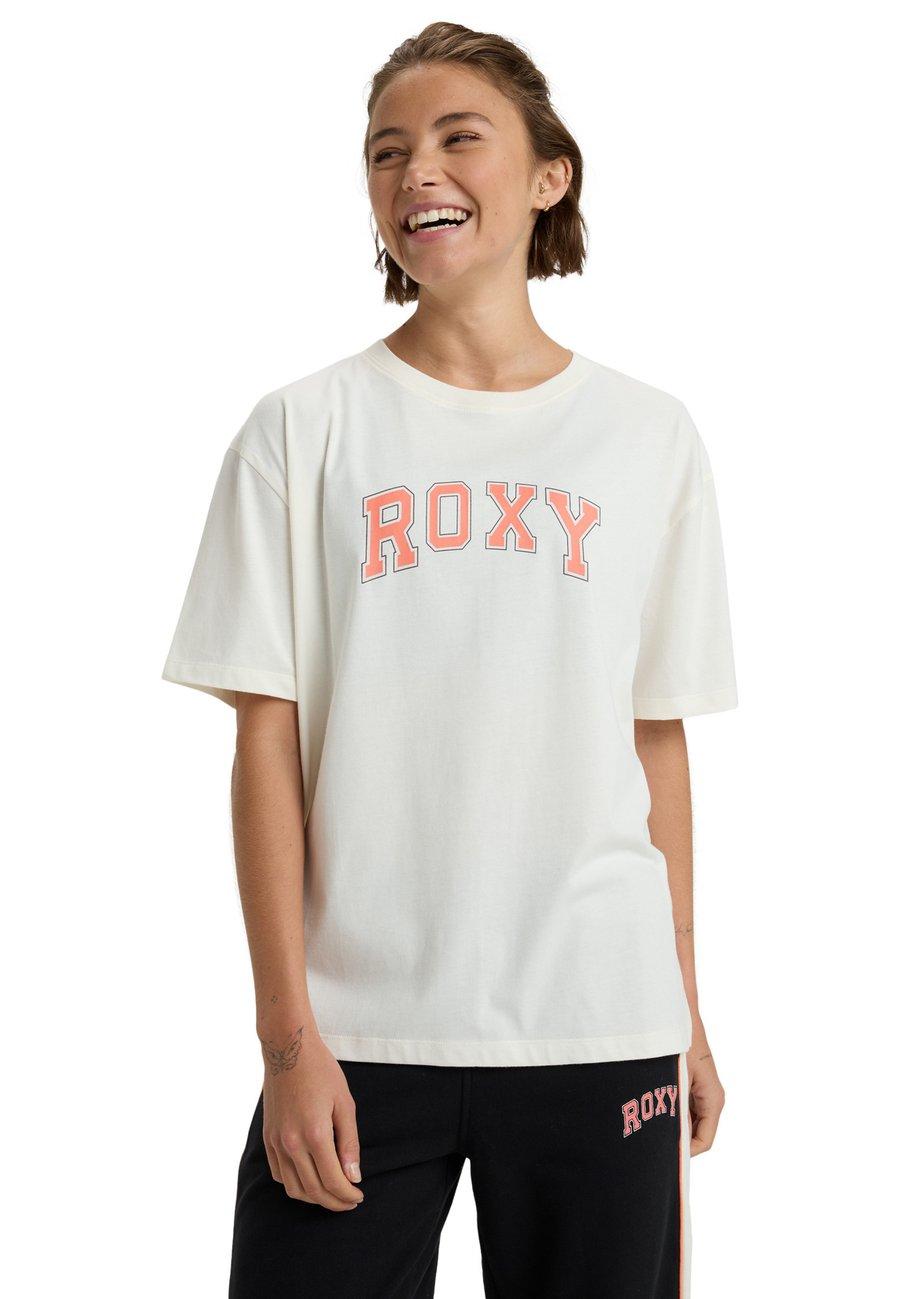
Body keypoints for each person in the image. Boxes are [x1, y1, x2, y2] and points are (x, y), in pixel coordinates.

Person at [161, 21, 737, 1298]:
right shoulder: (301, 432)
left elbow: (655, 738)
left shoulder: (648, 438)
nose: (415, 168)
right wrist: (287, 1042)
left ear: (549, 176)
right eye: (386, 151)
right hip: (358, 1035)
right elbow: (266, 748)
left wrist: (684, 1008)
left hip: (600, 1020)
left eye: (457, 137)